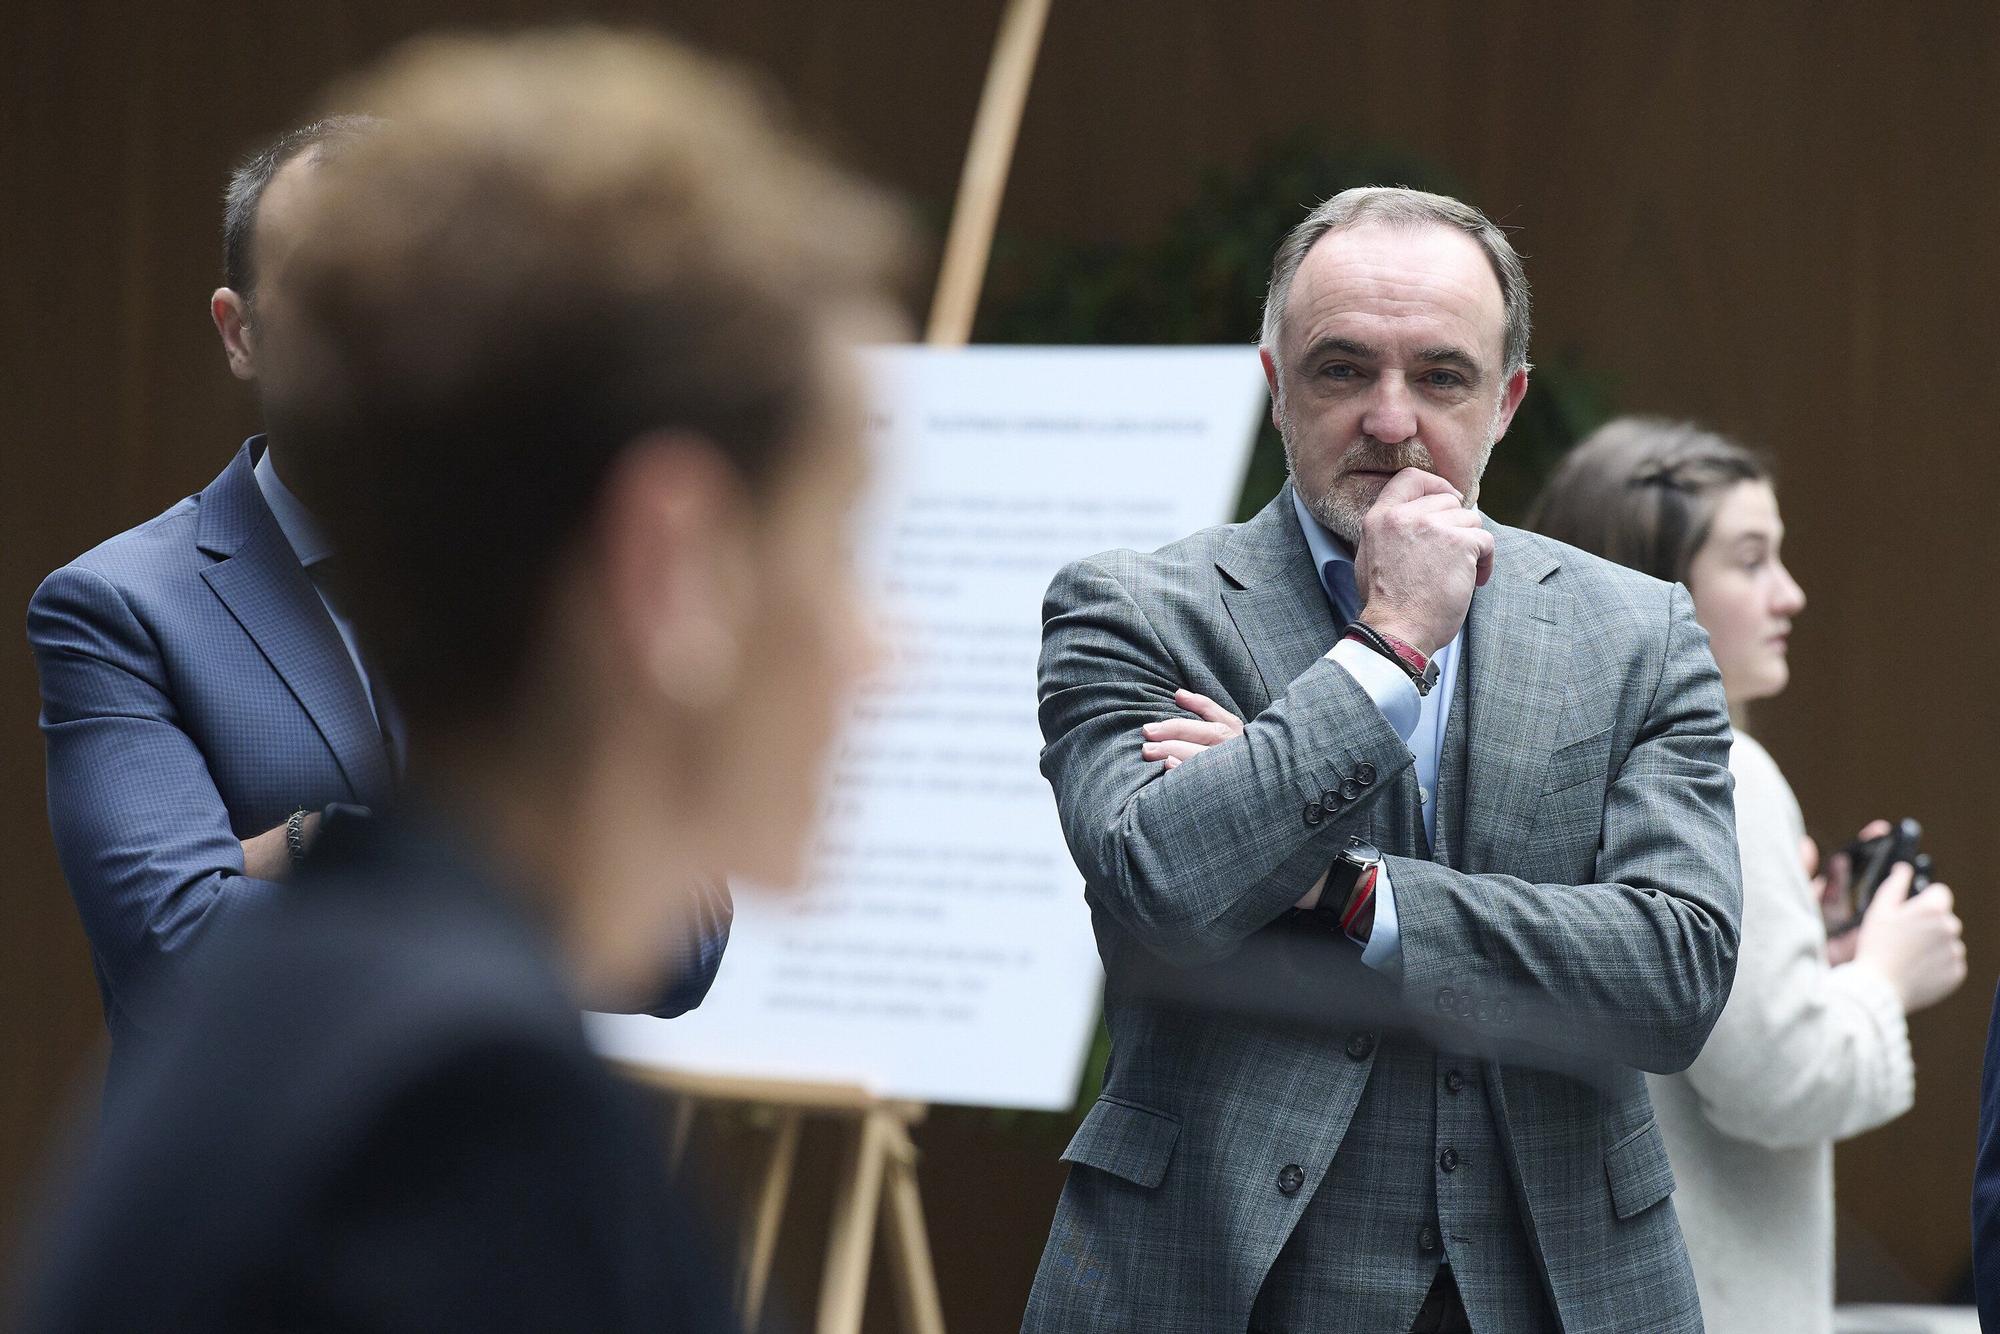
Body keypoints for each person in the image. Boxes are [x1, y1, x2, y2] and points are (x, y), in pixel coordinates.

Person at [13, 26, 906, 1332]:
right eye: (823, 546)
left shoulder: (350, 1033)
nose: (879, 646)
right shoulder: (461, 1125)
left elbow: (681, 951)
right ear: (662, 557)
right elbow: (169, 937)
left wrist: (280, 848)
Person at [1024, 187, 1742, 1334]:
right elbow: (1163, 883)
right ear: (1276, 386)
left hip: (1559, 1281)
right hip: (1214, 1272)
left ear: (1505, 401)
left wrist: (1344, 887)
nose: (1390, 418)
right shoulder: (1134, 610)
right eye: (1341, 369)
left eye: (1441, 377)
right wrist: (1390, 641)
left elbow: (1674, 974)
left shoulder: (1634, 632)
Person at [26, 115, 731, 1059]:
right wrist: (483, 858)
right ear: (240, 333)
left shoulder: (552, 571)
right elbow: (179, 954)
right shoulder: (122, 606)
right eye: (331, 297)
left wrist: (299, 849)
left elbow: (680, 941)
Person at [1528, 417, 1966, 1334]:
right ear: (1655, 584)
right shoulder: (1723, 771)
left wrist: (1806, 952)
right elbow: (1778, 1079)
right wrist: (1885, 975)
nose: (1790, 594)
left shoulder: (1535, 760)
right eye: (1751, 559)